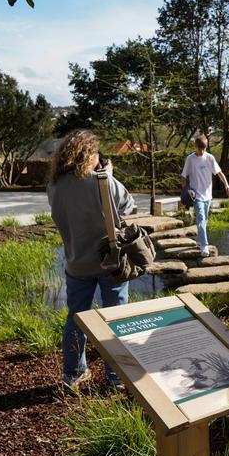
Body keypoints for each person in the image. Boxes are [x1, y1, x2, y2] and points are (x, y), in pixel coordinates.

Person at [47, 130, 136, 389]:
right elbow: (128, 205)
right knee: (115, 318)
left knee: (76, 318)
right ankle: (116, 376)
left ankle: (73, 374)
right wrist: (108, 175)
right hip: (110, 261)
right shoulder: (102, 180)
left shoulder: (54, 185)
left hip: (76, 261)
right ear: (90, 153)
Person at [181, 134, 229, 257]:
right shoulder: (190, 159)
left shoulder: (210, 158)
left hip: (208, 196)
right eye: (200, 148)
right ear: (195, 146)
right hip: (196, 196)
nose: (202, 151)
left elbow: (219, 173)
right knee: (201, 221)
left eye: (204, 148)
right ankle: (204, 247)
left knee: (205, 221)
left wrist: (227, 185)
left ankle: (200, 241)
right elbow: (183, 176)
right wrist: (186, 189)